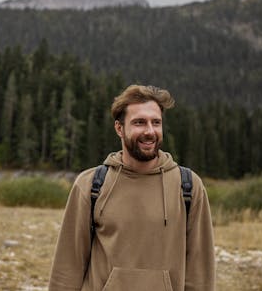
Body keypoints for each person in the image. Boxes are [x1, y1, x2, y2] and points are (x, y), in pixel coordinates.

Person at [48, 85, 215, 291]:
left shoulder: (189, 186)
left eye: (156, 122)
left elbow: (200, 273)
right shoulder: (91, 185)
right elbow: (67, 267)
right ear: (119, 128)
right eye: (139, 123)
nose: (150, 131)